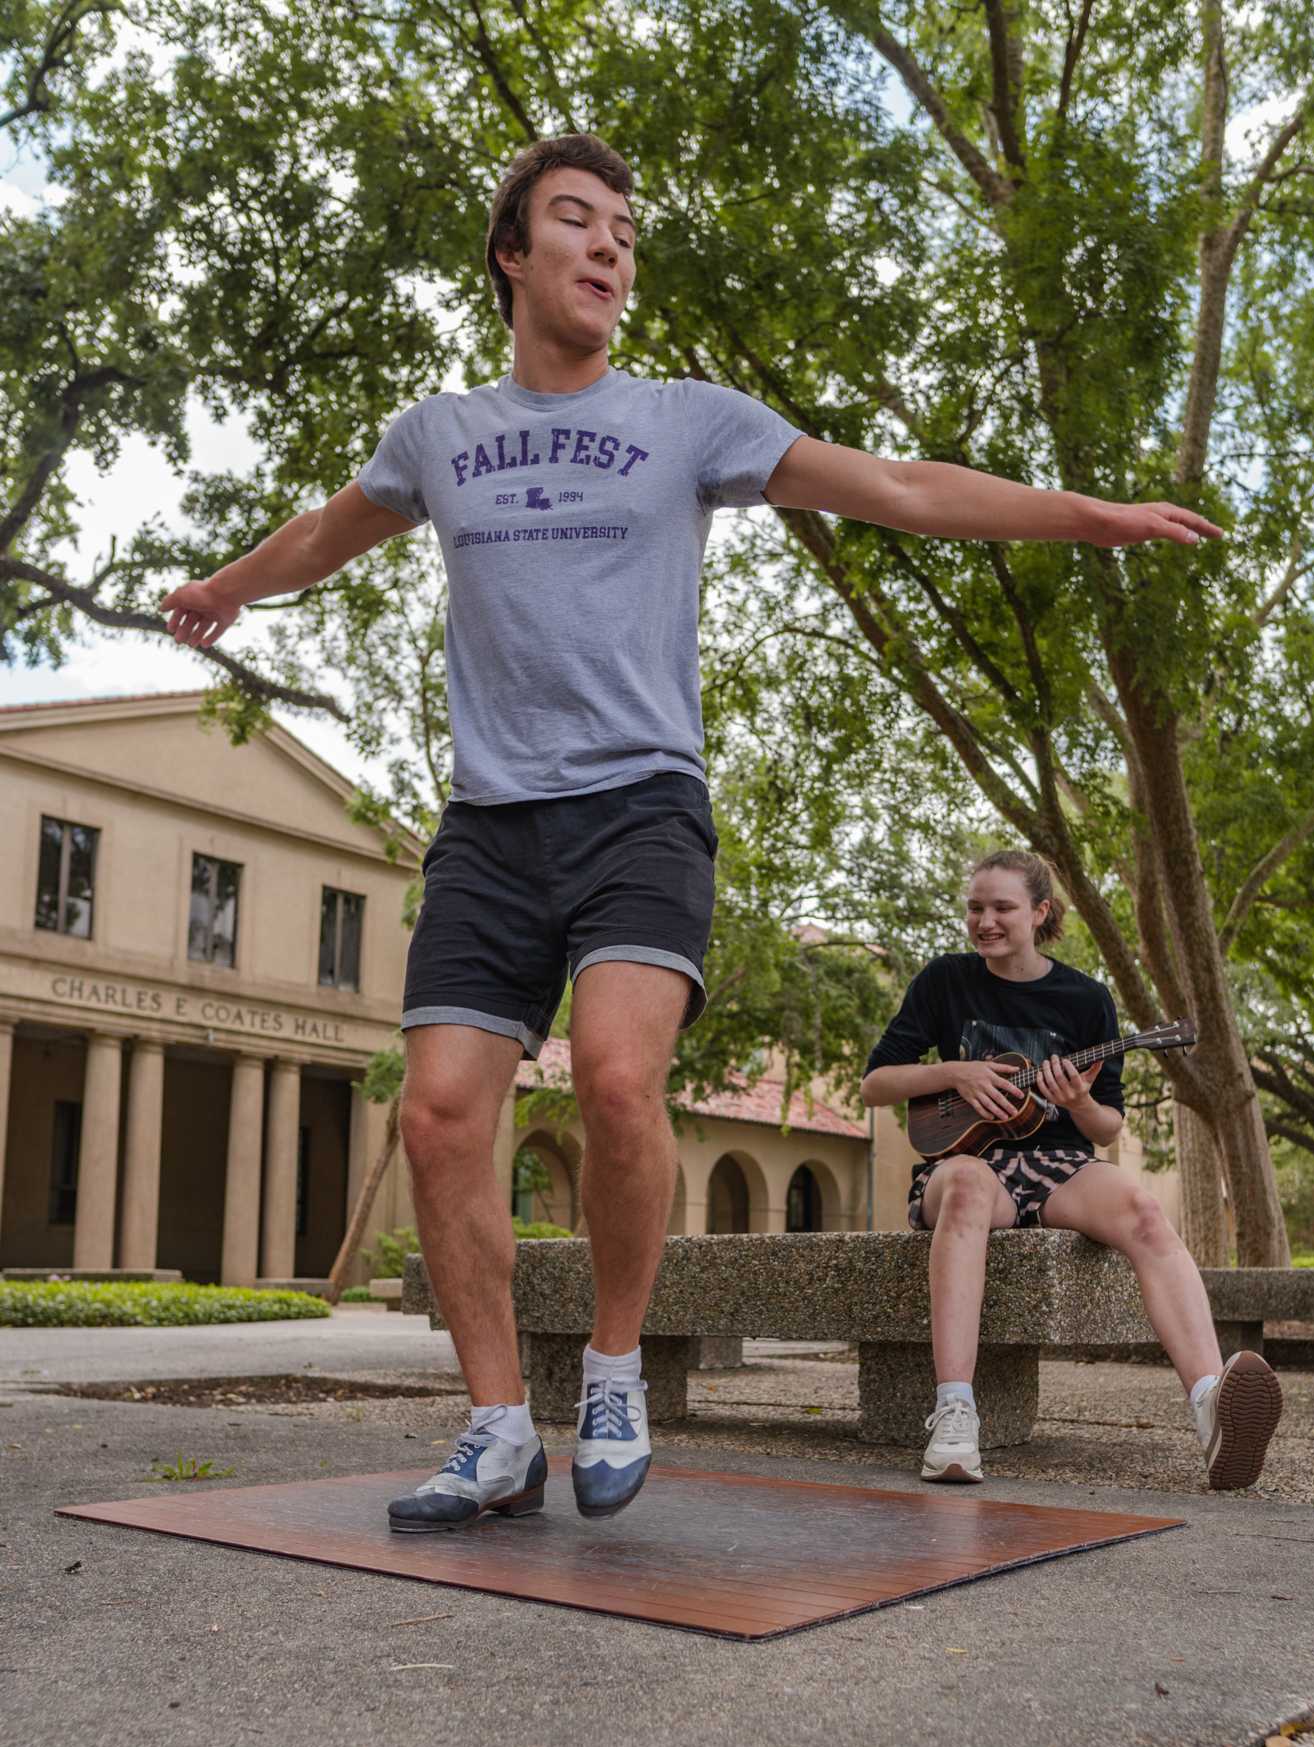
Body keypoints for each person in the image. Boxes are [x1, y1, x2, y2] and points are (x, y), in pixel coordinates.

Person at [160, 133, 1223, 1531]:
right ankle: (495, 1430)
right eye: (577, 222)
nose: (610, 249)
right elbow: (328, 530)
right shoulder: (439, 437)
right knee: (438, 1116)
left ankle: (612, 1370)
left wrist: (1081, 517)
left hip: (640, 809)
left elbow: (895, 485)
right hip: (490, 825)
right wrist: (227, 588)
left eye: (625, 232)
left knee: (612, 1076)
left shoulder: (688, 418)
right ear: (512, 256)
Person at [861, 849, 1282, 1489]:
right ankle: (954, 1413)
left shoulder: (1086, 999)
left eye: (1002, 908)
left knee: (1143, 1210)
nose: (985, 921)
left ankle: (1209, 1404)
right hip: (965, 1160)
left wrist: (1079, 1100)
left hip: (1059, 1162)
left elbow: (1107, 1126)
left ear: (1039, 911)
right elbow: (875, 1085)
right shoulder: (944, 981)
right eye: (976, 907)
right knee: (971, 1188)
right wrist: (956, 1072)